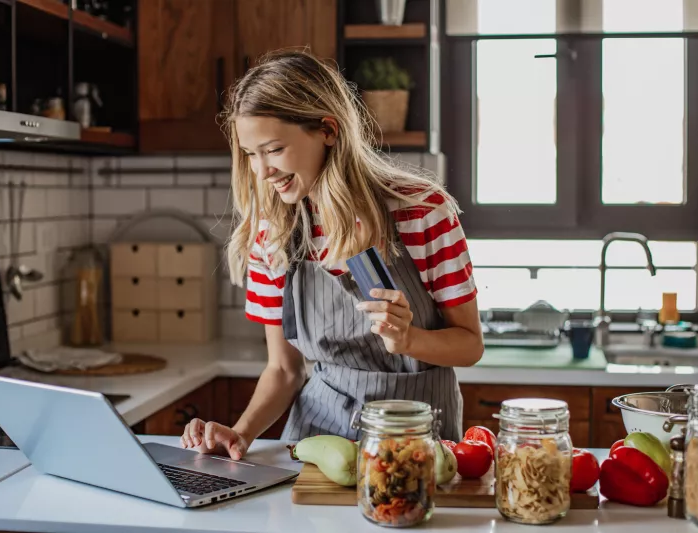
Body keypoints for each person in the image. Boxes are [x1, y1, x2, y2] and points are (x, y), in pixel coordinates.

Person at [181, 50, 483, 460]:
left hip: (417, 438)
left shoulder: (421, 211)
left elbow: (469, 346)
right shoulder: (273, 232)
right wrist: (241, 432)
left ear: (327, 130)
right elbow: (284, 370)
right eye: (251, 154)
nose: (261, 171)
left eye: (272, 149)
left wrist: (409, 339)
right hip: (316, 438)